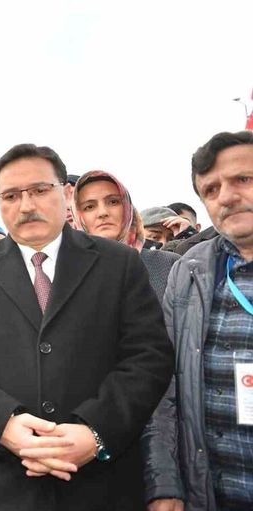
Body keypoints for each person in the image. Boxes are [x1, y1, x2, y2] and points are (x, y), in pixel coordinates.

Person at [0, 143, 174, 511]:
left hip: (102, 482)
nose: (26, 205)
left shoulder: (118, 263)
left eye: (39, 190)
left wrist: (95, 431)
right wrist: (4, 425)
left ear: (66, 193)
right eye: (11, 195)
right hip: (6, 482)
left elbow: (148, 357)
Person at [143, 131, 253, 511]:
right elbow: (164, 387)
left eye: (243, 179)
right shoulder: (188, 270)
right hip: (211, 496)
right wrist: (164, 484)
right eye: (211, 189)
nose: (226, 197)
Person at [71, 170, 180, 298]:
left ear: (128, 207)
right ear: (78, 216)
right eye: (89, 207)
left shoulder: (168, 264)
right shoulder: (64, 273)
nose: (102, 212)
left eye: (113, 202)